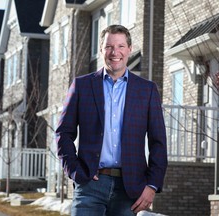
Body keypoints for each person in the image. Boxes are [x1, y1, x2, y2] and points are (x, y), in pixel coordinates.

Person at [56, 24, 167, 216]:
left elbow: (158, 142)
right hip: (90, 185)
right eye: (109, 46)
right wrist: (75, 171)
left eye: (121, 46)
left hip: (130, 188)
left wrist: (152, 184)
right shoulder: (82, 86)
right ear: (101, 50)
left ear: (129, 49)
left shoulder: (147, 90)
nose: (115, 52)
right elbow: (63, 132)